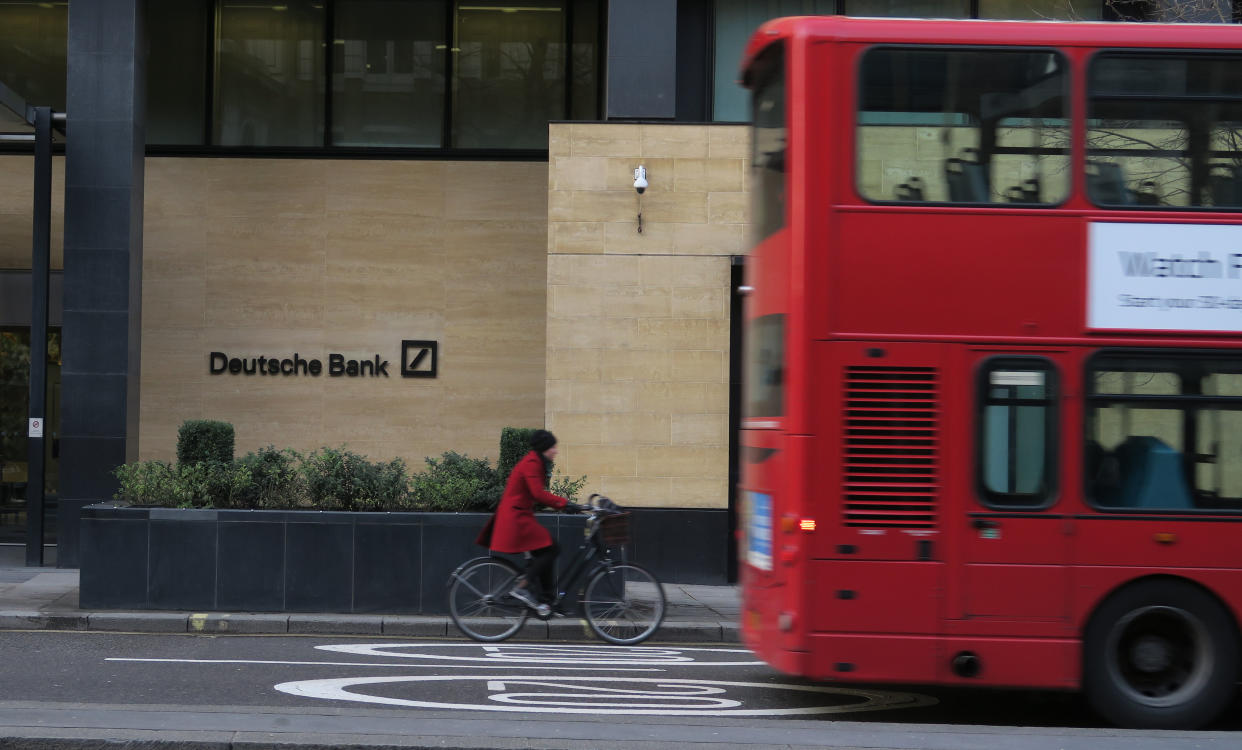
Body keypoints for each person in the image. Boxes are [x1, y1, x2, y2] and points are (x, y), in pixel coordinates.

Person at [474, 429, 578, 617]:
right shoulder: (532, 463)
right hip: (516, 519)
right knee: (552, 548)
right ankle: (522, 588)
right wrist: (565, 503)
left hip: (520, 516)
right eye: (553, 447)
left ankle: (548, 601)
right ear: (545, 448)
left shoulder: (536, 461)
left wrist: (564, 504)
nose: (555, 451)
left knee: (547, 550)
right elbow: (538, 493)